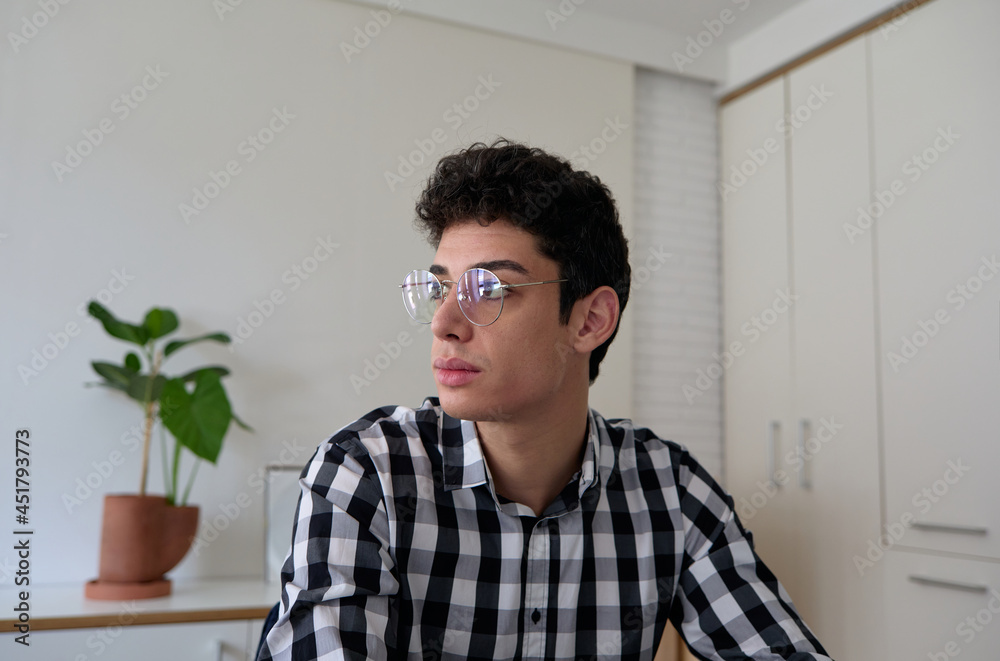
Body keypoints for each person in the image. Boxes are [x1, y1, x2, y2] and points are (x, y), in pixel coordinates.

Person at [258, 140, 831, 660]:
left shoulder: (668, 490)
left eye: (488, 289)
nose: (443, 323)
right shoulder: (366, 474)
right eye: (440, 288)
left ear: (590, 320)